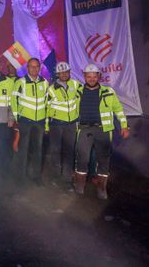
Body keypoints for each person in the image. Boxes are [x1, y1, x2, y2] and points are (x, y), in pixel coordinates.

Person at [74, 64, 129, 199]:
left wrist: (124, 125)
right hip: (84, 129)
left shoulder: (108, 92)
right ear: (84, 77)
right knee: (82, 158)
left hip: (102, 130)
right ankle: (79, 185)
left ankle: (101, 188)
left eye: (94, 76)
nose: (92, 79)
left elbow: (118, 109)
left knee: (104, 160)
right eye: (89, 76)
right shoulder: (77, 92)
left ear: (99, 76)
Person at [11, 58, 49, 185]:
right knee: (23, 150)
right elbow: (13, 100)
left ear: (39, 68)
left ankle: (36, 176)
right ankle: (20, 177)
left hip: (40, 122)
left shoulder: (44, 82)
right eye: (31, 67)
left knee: (38, 150)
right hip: (25, 121)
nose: (34, 69)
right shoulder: (20, 82)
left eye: (36, 66)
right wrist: (17, 118)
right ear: (27, 68)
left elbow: (47, 103)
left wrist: (46, 122)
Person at [46, 61, 81, 188]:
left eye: (66, 72)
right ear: (57, 74)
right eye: (61, 73)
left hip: (71, 124)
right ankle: (55, 176)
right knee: (55, 151)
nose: (64, 75)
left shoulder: (76, 85)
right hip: (56, 125)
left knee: (69, 151)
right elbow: (47, 108)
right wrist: (46, 126)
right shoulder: (51, 89)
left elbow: (84, 99)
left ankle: (66, 179)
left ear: (69, 72)